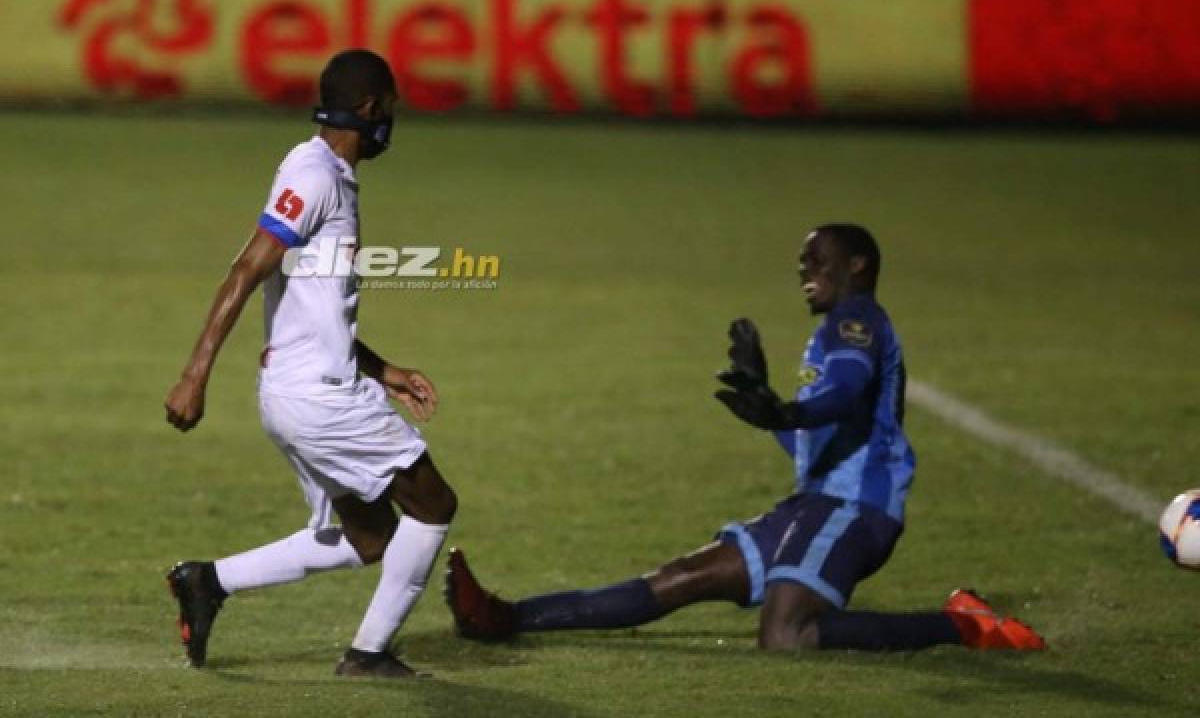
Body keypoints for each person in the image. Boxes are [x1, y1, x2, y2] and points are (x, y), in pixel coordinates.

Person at [445, 224, 1044, 653]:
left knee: (786, 637)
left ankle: (960, 624)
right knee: (676, 579)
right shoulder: (834, 331)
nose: (805, 273)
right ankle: (506, 617)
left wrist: (780, 410)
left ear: (858, 264)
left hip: (853, 510)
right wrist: (765, 403)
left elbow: (843, 396)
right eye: (801, 266)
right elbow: (818, 438)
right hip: (814, 505)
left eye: (817, 261)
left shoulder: (857, 322)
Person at [163, 49, 457, 678]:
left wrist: (384, 370)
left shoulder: (327, 175)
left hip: (306, 387)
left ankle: (208, 581)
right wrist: (195, 374)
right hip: (318, 396)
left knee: (370, 536)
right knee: (432, 503)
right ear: (374, 109)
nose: (394, 118)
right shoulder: (316, 174)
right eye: (393, 105)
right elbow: (248, 267)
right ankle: (368, 654)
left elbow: (315, 310)